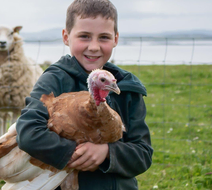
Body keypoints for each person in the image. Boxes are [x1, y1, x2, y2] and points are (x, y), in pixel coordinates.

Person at [15, 0, 153, 189]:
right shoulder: (54, 81)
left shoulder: (127, 88)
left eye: (104, 37)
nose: (94, 46)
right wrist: (74, 153)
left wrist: (107, 153)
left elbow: (143, 153)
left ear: (116, 39)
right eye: (85, 36)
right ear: (66, 36)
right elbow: (28, 133)